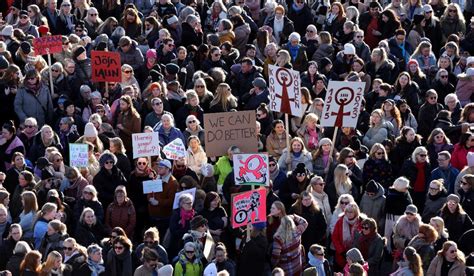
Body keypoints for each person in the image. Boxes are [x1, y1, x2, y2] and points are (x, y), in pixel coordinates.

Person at [332, 202, 364, 271]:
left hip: (356, 256)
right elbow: (335, 238)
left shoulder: (361, 222)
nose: (349, 214)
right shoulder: (340, 221)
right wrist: (342, 252)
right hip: (341, 255)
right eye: (347, 212)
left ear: (356, 212)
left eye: (351, 212)